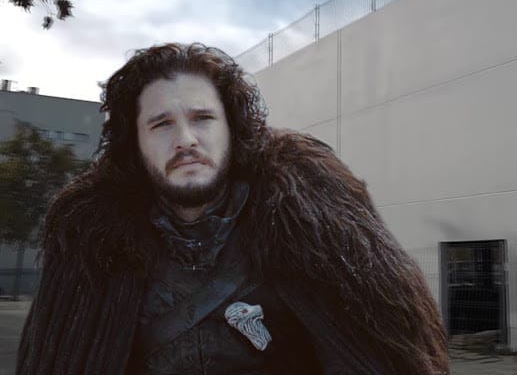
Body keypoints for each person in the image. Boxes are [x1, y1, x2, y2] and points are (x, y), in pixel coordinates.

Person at [17, 43, 448, 374]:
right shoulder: (94, 252)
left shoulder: (314, 233)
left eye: (202, 118)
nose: (185, 140)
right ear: (137, 144)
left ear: (231, 128)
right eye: (162, 124)